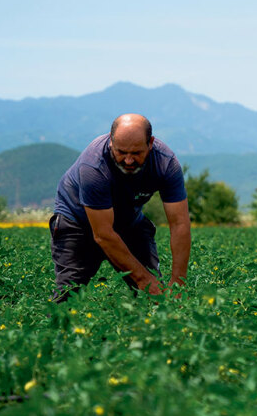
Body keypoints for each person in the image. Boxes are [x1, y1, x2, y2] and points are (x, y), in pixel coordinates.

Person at [50, 114, 190, 301]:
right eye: (122, 152)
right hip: (77, 222)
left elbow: (180, 224)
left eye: (136, 153)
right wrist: (142, 279)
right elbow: (103, 235)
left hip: (127, 221)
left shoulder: (166, 164)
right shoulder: (94, 167)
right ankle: (56, 327)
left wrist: (178, 283)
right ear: (111, 142)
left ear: (151, 143)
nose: (129, 160)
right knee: (67, 295)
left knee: (156, 298)